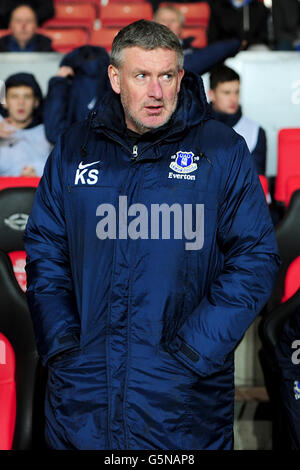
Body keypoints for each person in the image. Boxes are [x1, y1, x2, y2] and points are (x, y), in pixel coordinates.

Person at [24, 19, 280, 450]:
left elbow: (255, 259)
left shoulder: (223, 150)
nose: (156, 92)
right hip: (84, 392)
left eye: (166, 76)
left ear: (181, 77)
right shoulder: (73, 149)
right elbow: (46, 252)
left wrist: (195, 351)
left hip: (182, 395)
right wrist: (65, 345)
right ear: (115, 78)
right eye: (141, 76)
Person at [44, 45, 110, 144]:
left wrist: (59, 83)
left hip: (73, 155)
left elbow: (54, 134)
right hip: (108, 155)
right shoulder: (115, 84)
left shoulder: (66, 84)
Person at [209, 64, 267, 175]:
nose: (233, 99)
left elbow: (255, 181)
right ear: (212, 94)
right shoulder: (196, 128)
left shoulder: (256, 131)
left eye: (237, 92)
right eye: (226, 93)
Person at [154, 4, 241, 76]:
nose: (168, 24)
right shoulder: (145, 51)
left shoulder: (192, 53)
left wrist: (238, 42)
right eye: (164, 20)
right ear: (154, 25)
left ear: (181, 27)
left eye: (173, 21)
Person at [0, 73, 52, 176]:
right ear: (5, 102)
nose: (21, 103)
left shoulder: (49, 133)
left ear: (36, 102)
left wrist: (38, 172)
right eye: (14, 96)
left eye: (27, 97)